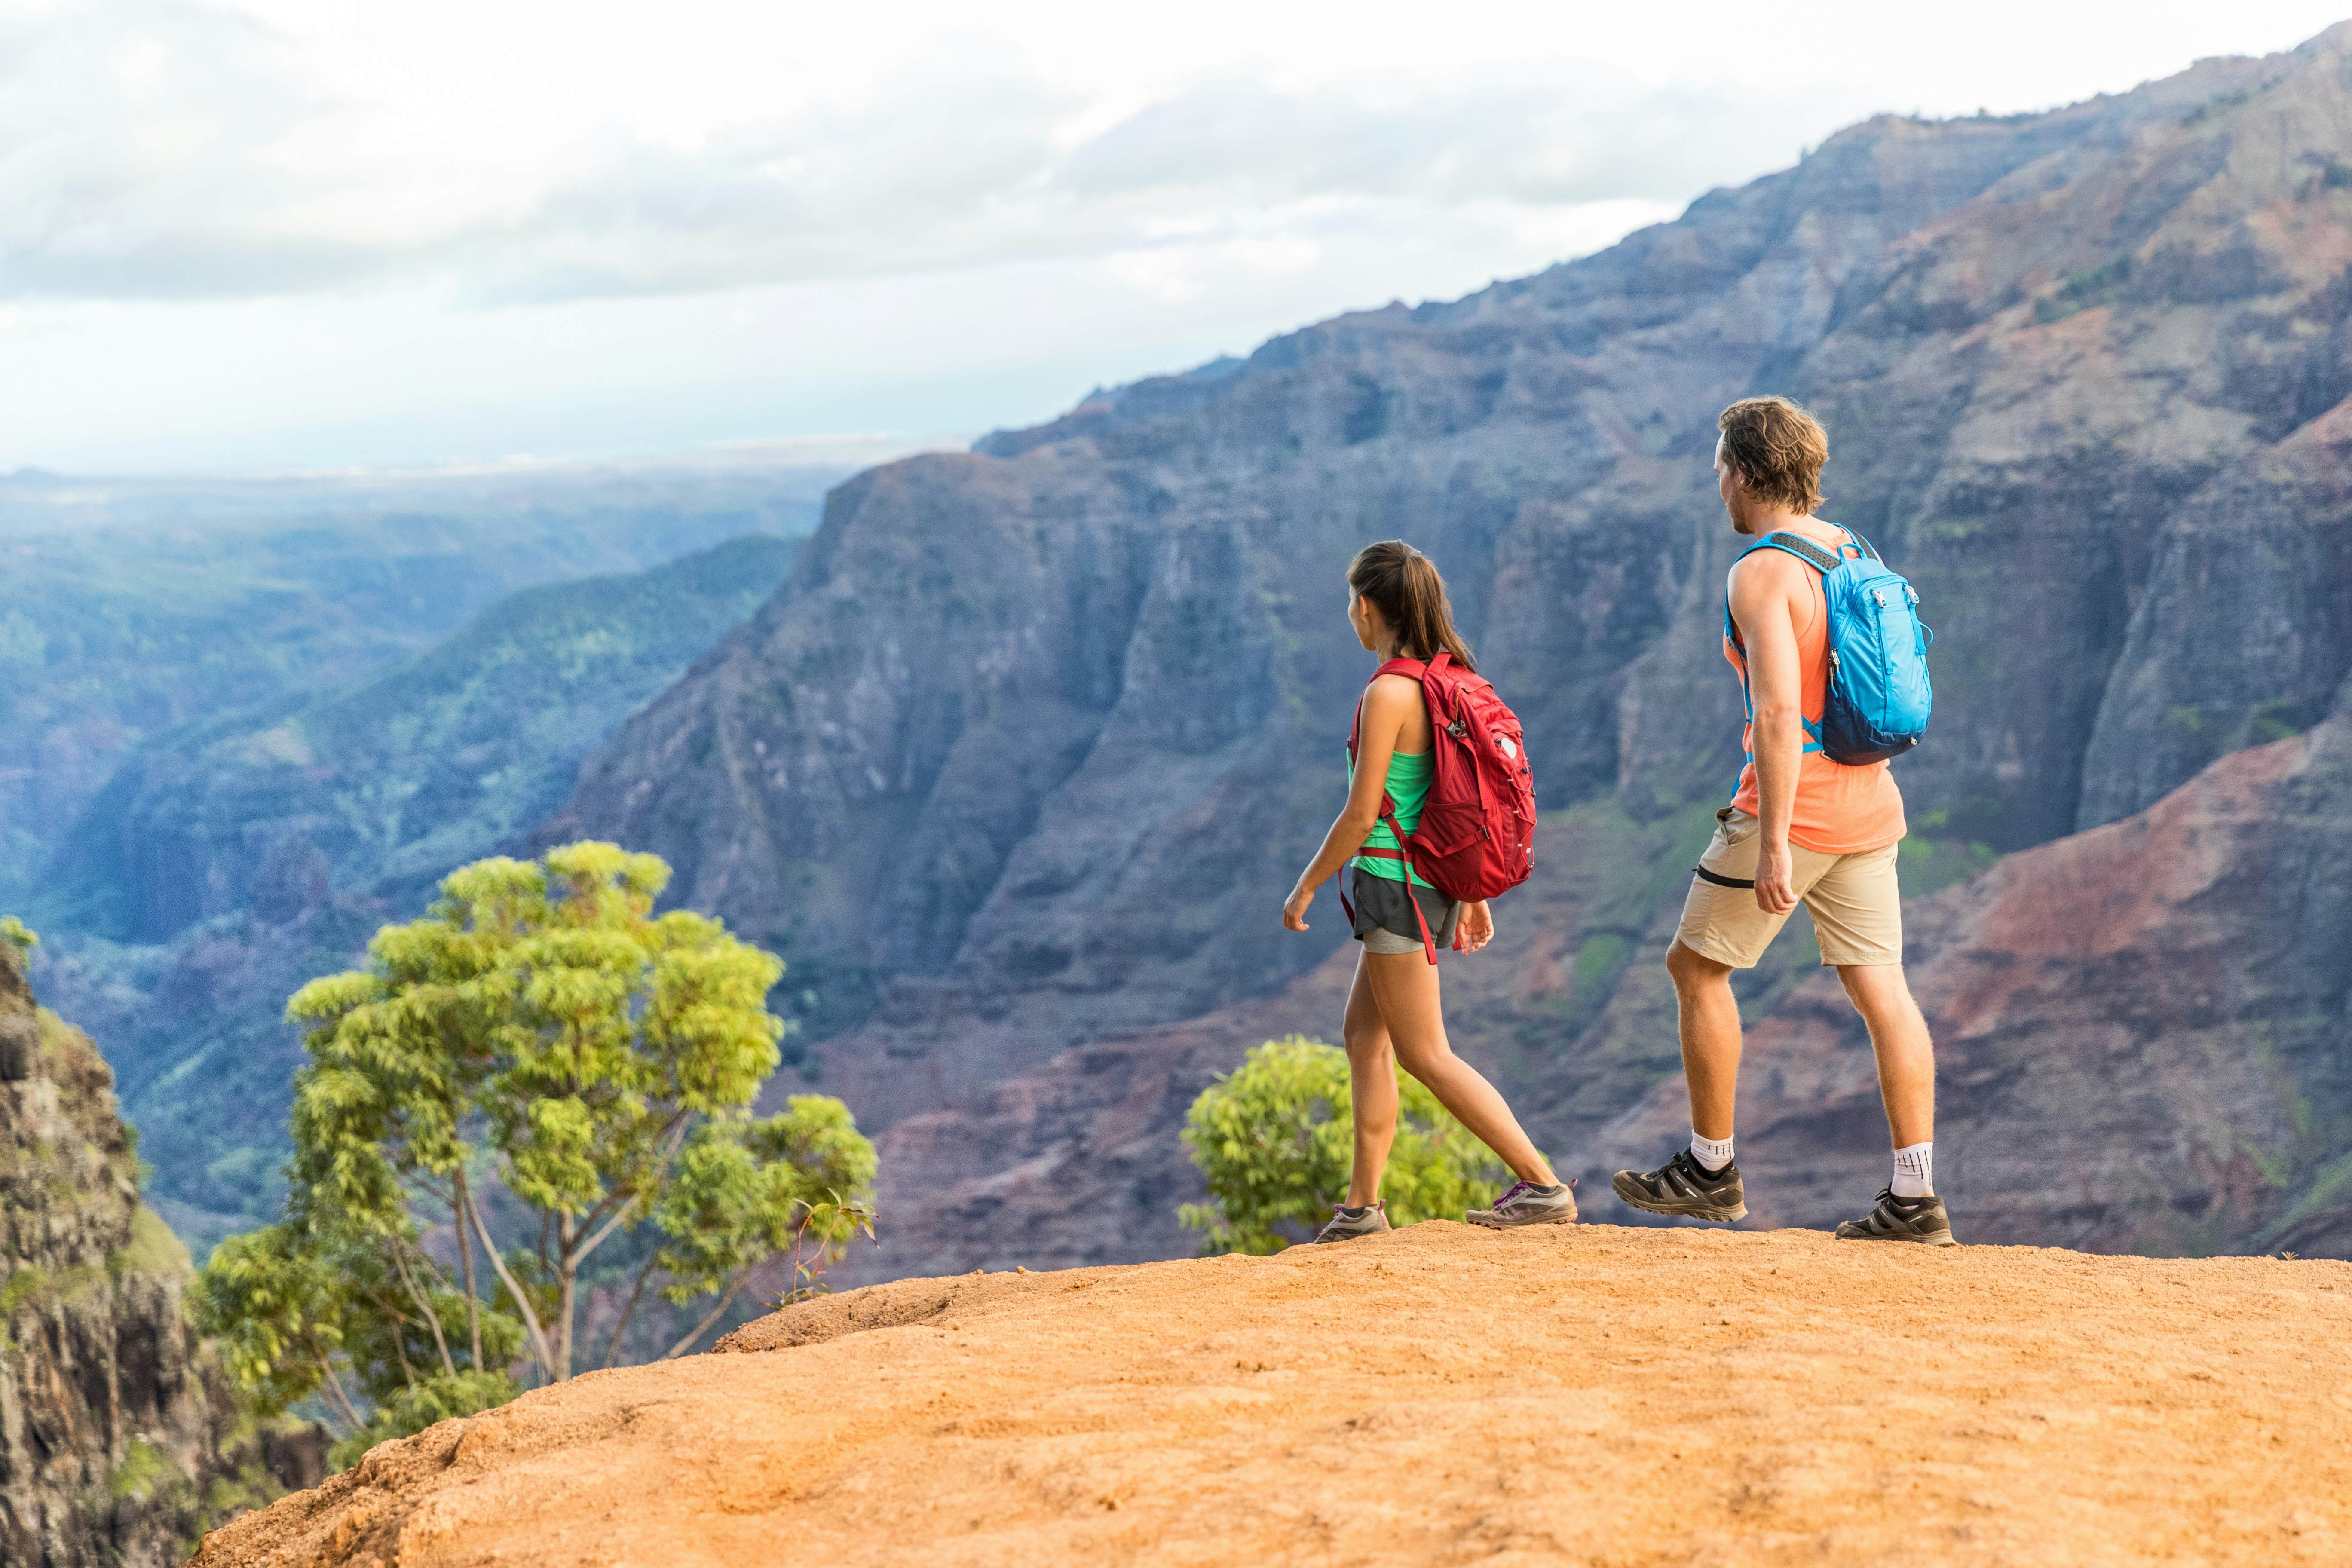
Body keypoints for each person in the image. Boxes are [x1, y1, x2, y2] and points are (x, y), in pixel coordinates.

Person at [1613, 397, 1955, 1245]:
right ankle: (1916, 1199)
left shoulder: (1762, 573)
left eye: (1720, 468)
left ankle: (1710, 1170)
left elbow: (1775, 716)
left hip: (1794, 809)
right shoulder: (1853, 550)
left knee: (1694, 969)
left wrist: (1770, 844)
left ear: (1744, 472)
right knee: (1885, 992)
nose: (1717, 483)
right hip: (1872, 807)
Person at [1282, 540, 1576, 1242]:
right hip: (1427, 883)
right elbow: (1450, 797)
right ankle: (1362, 1209)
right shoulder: (1445, 682)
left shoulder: (1387, 692)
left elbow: (1363, 815)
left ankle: (1541, 1184)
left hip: (1394, 888)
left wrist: (1305, 888)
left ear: (1365, 606)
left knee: (1423, 1052)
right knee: (1363, 1035)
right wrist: (1468, 889)